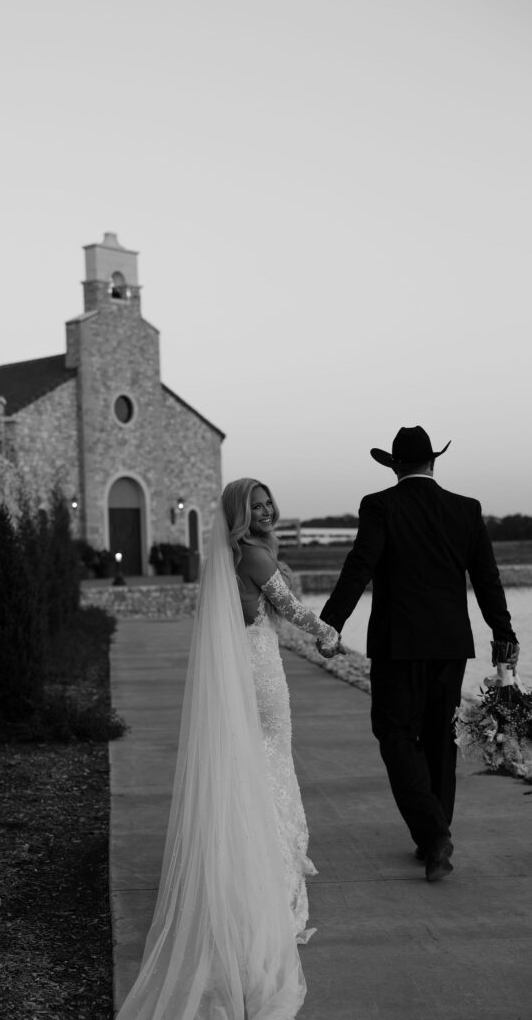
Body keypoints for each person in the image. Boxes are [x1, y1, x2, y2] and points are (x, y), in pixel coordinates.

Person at [116, 478, 340, 1020]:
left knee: (253, 775)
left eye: (268, 503)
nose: (266, 511)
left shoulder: (233, 555)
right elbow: (290, 610)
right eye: (255, 506)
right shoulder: (256, 556)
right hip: (262, 674)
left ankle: (251, 881)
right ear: (240, 515)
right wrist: (328, 633)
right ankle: (269, 899)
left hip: (245, 667)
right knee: (272, 771)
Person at [317, 426, 519, 882]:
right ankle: (434, 835)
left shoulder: (380, 505)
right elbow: (488, 580)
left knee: (394, 733)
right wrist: (504, 638)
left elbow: (359, 566)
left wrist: (330, 624)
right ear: (434, 462)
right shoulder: (466, 509)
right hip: (450, 644)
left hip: (398, 644)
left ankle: (432, 836)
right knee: (438, 737)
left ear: (394, 465)